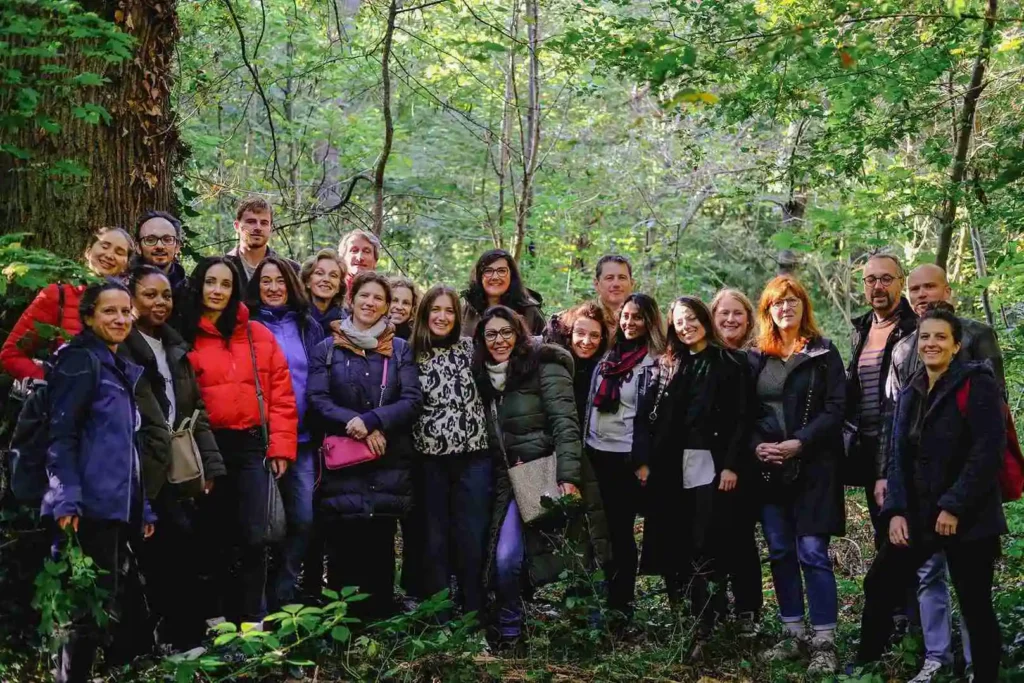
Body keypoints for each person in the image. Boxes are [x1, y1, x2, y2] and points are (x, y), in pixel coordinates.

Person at [857, 307, 1006, 683]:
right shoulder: (912, 389)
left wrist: (953, 505)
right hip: (919, 516)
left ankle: (985, 674)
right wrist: (895, 512)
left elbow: (987, 452)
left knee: (974, 603)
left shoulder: (977, 384)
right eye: (925, 337)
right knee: (880, 583)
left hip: (968, 516)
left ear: (956, 346)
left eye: (941, 337)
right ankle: (865, 666)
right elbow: (897, 458)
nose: (931, 343)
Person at [42, 281, 155, 683]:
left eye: (126, 311)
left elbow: (126, 447)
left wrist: (142, 506)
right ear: (88, 316)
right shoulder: (79, 361)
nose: (120, 318)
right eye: (110, 311)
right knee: (82, 613)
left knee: (101, 607)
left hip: (114, 507)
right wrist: (66, 498)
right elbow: (61, 435)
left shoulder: (118, 364)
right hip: (84, 508)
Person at [182, 257, 298, 625]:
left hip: (251, 445)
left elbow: (280, 391)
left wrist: (281, 446)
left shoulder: (256, 333)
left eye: (226, 284)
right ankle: (215, 620)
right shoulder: (183, 332)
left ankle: (253, 620)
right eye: (210, 282)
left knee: (254, 536)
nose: (217, 291)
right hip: (205, 446)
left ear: (235, 290)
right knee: (211, 535)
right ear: (199, 285)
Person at [307, 272, 422, 620]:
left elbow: (413, 400)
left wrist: (374, 421)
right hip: (344, 464)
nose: (370, 303)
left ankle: (378, 629)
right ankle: (342, 629)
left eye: (378, 299)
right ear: (351, 300)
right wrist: (354, 424)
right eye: (364, 296)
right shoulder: (327, 349)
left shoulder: (399, 350)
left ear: (387, 307)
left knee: (380, 547)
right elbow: (317, 399)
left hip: (387, 462)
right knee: (343, 546)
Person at [638, 297, 751, 650]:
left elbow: (742, 419)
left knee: (706, 541)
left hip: (711, 462)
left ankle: (709, 619)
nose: (686, 326)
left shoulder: (731, 362)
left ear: (704, 318)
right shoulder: (672, 363)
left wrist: (731, 464)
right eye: (678, 322)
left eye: (691, 318)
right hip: (672, 465)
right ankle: (682, 618)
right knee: (674, 539)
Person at [123, 265, 225, 650]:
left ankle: (184, 637)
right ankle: (157, 641)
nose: (160, 303)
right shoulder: (122, 345)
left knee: (184, 548)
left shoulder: (174, 345)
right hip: (139, 466)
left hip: (179, 465)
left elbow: (193, 407)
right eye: (150, 295)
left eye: (165, 295)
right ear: (131, 299)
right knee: (158, 554)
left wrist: (210, 465)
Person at [749, 275, 845, 676]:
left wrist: (800, 442)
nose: (785, 308)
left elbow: (837, 408)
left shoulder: (824, 353)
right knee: (781, 550)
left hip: (814, 468)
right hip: (770, 470)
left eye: (793, 301)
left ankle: (824, 640)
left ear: (804, 306)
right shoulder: (758, 356)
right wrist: (758, 445)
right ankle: (792, 635)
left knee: (812, 552)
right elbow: (746, 411)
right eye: (777, 303)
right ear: (767, 310)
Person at [473, 305, 582, 646]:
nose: (499, 340)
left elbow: (565, 424)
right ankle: (509, 630)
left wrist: (569, 476)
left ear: (519, 333)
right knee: (503, 558)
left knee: (525, 558)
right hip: (503, 481)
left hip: (541, 474)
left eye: (506, 332)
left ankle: (523, 628)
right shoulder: (482, 375)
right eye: (491, 334)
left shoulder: (542, 366)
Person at [246, 257, 324, 608]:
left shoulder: (308, 326)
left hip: (304, 440)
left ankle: (285, 592)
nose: (273, 287)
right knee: (264, 523)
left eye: (280, 280)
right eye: (266, 281)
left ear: (292, 284)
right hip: (260, 442)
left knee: (303, 520)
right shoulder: (246, 325)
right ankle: (257, 599)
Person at [410, 285, 491, 619]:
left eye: (449, 311)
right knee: (435, 539)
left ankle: (475, 611)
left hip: (474, 457)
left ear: (458, 317)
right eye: (436, 310)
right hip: (429, 461)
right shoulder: (409, 352)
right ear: (425, 314)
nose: (442, 317)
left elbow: (515, 357)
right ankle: (440, 614)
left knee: (472, 536)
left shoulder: (471, 348)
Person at [584, 293, 664, 623]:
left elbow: (653, 417)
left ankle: (620, 605)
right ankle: (593, 599)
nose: (630, 323)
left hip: (625, 456)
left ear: (650, 322)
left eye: (638, 317)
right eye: (626, 317)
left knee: (620, 531)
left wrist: (646, 460)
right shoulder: (608, 355)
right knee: (594, 529)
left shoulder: (655, 361)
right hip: (594, 451)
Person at [844, 255, 917, 545]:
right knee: (883, 535)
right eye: (871, 280)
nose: (878, 286)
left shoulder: (915, 329)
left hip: (904, 445)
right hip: (868, 448)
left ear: (901, 282)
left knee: (905, 537)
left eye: (886, 279)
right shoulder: (860, 330)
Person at [1, 227, 134, 381]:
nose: (110, 255)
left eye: (119, 252)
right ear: (88, 251)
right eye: (105, 246)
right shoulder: (57, 295)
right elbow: (11, 354)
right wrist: (50, 383)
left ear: (126, 264)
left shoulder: (130, 306)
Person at [461, 249, 545, 336]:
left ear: (511, 275)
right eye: (488, 271)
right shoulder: (466, 311)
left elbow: (547, 346)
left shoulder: (530, 312)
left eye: (501, 271)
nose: (495, 277)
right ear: (479, 276)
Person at [225, 196, 299, 290]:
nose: (258, 228)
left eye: (264, 223)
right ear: (237, 226)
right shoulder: (222, 268)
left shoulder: (291, 270)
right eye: (251, 222)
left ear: (270, 228)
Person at [133, 211, 188, 291]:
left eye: (167, 240)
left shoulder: (189, 291)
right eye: (150, 240)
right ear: (138, 247)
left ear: (177, 247)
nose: (160, 246)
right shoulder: (125, 286)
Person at [299, 249, 347, 333]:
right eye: (319, 273)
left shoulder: (347, 324)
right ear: (307, 281)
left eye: (333, 275)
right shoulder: (294, 317)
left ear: (339, 287)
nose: (326, 279)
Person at [593, 255, 634, 339]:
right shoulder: (585, 317)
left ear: (632, 283)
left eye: (622, 278)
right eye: (609, 278)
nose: (616, 284)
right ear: (597, 284)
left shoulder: (646, 318)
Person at [338, 229, 381, 294]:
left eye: (366, 251)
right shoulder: (333, 289)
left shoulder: (383, 293)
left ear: (375, 261)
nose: (359, 257)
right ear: (342, 258)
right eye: (354, 251)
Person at [388, 276, 419, 340]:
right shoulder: (369, 331)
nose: (399, 307)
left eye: (406, 303)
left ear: (413, 308)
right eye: (394, 300)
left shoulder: (417, 337)